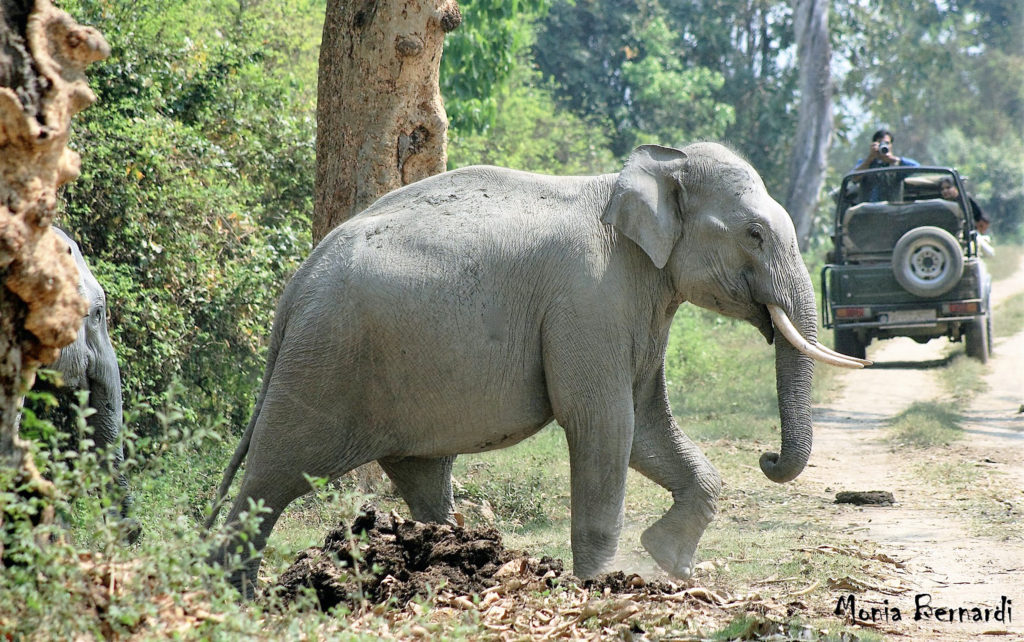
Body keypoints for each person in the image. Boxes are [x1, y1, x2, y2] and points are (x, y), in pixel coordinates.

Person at [849, 129, 920, 202]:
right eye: (880, 143)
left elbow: (916, 167)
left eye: (887, 143)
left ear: (891, 146)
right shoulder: (866, 163)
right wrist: (870, 159)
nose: (884, 145)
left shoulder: (897, 165)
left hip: (891, 209)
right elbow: (854, 178)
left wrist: (893, 159)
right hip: (868, 210)